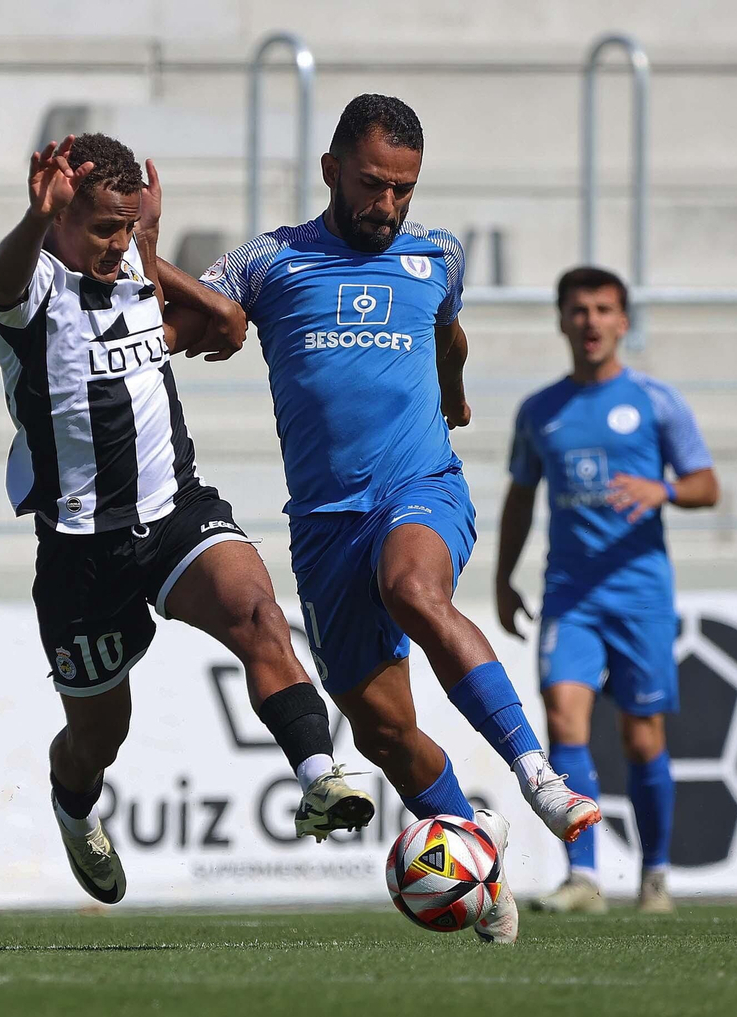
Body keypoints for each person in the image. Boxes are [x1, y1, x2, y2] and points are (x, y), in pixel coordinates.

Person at [160, 94, 599, 944]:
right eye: (373, 186)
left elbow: (450, 331)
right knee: (384, 730)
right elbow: (203, 321)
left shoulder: (437, 253)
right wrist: (151, 262)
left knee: (412, 588)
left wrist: (456, 398)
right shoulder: (270, 263)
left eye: (403, 189)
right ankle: (478, 851)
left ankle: (538, 775)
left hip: (419, 489)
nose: (388, 206)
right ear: (331, 170)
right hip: (325, 525)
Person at [0, 133, 374, 905]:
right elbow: (9, 282)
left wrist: (150, 248)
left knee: (259, 614)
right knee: (99, 736)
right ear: (59, 214)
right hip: (81, 547)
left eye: (126, 226)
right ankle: (74, 803)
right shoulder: (23, 278)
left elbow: (227, 325)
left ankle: (320, 778)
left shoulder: (131, 261)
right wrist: (35, 218)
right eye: (101, 227)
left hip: (174, 512)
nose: (115, 244)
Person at [495, 266, 719, 915]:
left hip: (640, 592)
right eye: (578, 310)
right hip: (570, 592)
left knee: (641, 737)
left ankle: (655, 875)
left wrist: (665, 489)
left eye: (602, 310)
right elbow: (519, 496)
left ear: (623, 321)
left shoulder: (655, 401)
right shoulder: (540, 411)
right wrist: (505, 576)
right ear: (561, 320)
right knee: (564, 717)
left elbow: (707, 483)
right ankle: (584, 877)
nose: (590, 321)